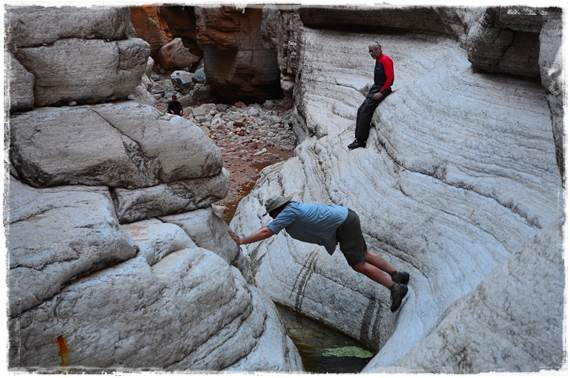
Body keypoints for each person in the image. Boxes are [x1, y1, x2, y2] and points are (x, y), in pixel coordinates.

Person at [228, 194, 409, 312]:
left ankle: (395, 288)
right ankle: (397, 274)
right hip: (347, 217)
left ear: (276, 211)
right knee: (364, 253)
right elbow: (267, 227)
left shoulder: (288, 212)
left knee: (358, 264)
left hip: (343, 224)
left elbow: (266, 232)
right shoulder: (293, 208)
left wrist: (242, 240)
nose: (274, 218)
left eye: (273, 215)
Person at [348, 42, 394, 150]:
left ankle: (361, 141)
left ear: (379, 49)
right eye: (369, 50)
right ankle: (358, 138)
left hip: (382, 89)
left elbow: (390, 80)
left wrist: (381, 93)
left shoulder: (385, 60)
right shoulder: (378, 60)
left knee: (365, 111)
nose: (370, 53)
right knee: (360, 110)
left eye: (372, 50)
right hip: (376, 87)